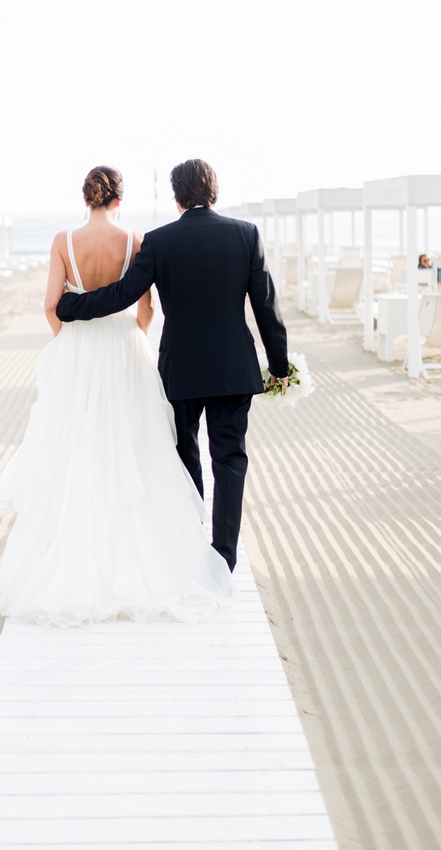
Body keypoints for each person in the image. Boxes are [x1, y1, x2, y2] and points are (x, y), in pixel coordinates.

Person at [0, 165, 237, 628]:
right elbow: (145, 307)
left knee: (79, 448)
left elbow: (50, 304)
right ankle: (141, 553)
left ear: (87, 199)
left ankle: (79, 552)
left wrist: (68, 343)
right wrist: (133, 338)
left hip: (78, 351)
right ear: (118, 200)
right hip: (123, 349)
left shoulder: (63, 240)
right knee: (134, 447)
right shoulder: (137, 239)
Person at [57, 159, 289, 572]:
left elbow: (123, 294)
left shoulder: (160, 242)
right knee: (230, 460)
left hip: (180, 369)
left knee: (184, 454)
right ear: (213, 192)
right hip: (234, 368)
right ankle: (223, 559)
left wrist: (71, 306)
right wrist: (279, 365)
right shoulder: (246, 235)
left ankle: (190, 543)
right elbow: (266, 306)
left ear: (177, 197)